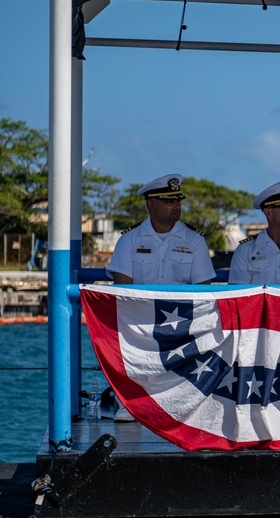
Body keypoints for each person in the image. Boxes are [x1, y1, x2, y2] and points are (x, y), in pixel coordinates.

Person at [106, 173, 215, 421]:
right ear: (151, 204)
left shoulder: (194, 240)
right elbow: (122, 288)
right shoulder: (130, 240)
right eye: (169, 201)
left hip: (182, 320)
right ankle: (130, 402)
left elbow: (204, 290)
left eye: (178, 201)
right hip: (140, 320)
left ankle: (184, 404)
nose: (176, 206)